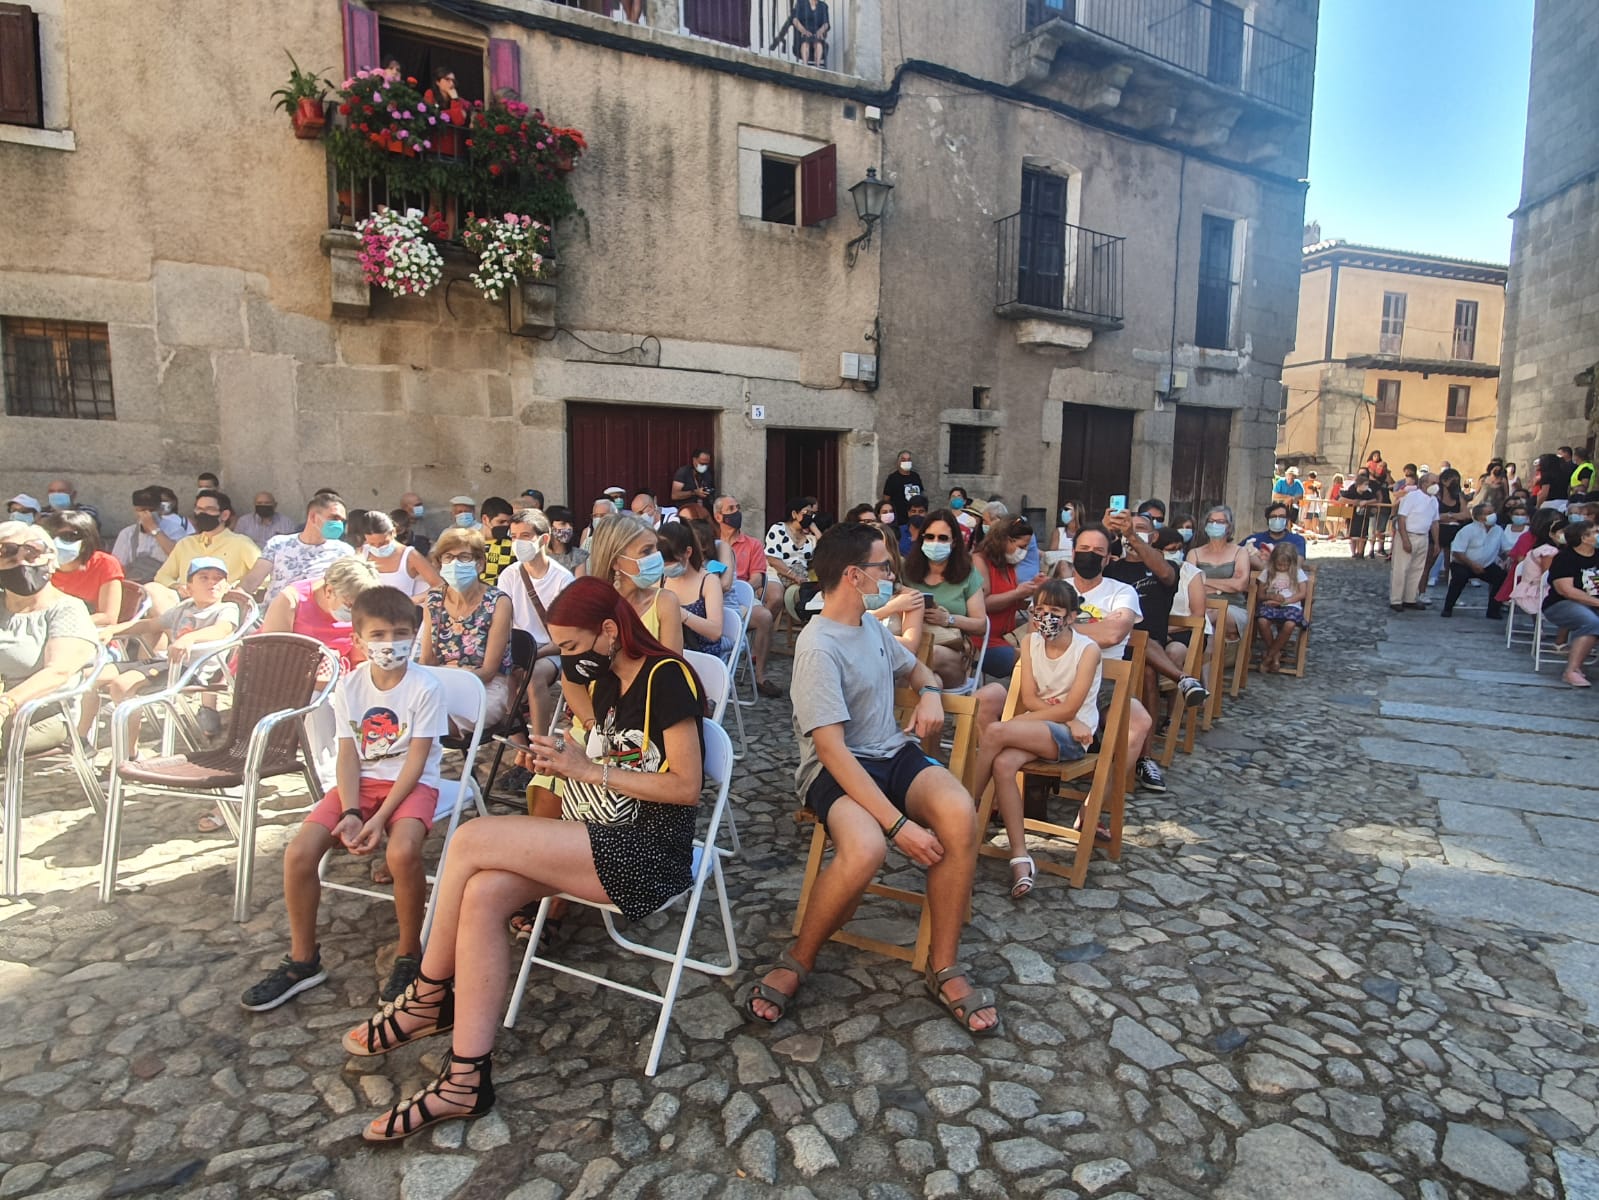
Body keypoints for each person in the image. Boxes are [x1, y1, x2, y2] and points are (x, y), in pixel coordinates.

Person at [342, 576, 706, 1141]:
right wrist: (564, 755)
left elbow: (685, 787)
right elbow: (610, 754)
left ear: (610, 630)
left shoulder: (667, 676)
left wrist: (589, 770)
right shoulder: (606, 679)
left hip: (649, 852)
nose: (569, 658)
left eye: (574, 645)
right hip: (600, 831)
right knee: (484, 892)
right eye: (562, 647)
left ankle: (429, 993)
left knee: (470, 839)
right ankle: (466, 1078)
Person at [741, 522, 996, 1035]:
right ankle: (799, 958)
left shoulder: (871, 628)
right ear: (854, 576)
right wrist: (899, 827)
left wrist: (929, 693)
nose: (893, 576)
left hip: (890, 753)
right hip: (836, 769)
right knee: (866, 848)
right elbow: (832, 751)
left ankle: (943, 965)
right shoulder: (818, 647)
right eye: (885, 567)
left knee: (959, 813)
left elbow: (916, 669)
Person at [242, 585, 449, 1013]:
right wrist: (353, 810)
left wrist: (380, 818)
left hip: (410, 786)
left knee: (402, 852)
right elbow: (348, 755)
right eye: (378, 635)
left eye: (400, 633)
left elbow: (416, 762)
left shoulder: (425, 687)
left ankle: (409, 953)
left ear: (414, 634)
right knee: (299, 853)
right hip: (359, 785)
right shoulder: (349, 687)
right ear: (357, 639)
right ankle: (303, 960)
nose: (389, 643)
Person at [968, 579, 1101, 898]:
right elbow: (1029, 697)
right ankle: (1020, 857)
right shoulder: (1030, 642)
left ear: (1072, 616)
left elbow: (1070, 707)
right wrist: (1062, 715)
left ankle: (965, 808)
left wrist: (1063, 716)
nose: (1045, 617)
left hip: (1074, 737)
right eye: (1039, 609)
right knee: (1003, 765)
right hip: (1045, 725)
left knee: (996, 731)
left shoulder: (1087, 650)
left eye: (1054, 610)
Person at [1044, 524, 1160, 792]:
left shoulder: (1122, 592)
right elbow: (1037, 632)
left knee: (1139, 721)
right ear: (1073, 553)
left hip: (1104, 681)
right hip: (1053, 676)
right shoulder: (1054, 588)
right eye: (1084, 549)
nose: (1090, 555)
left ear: (1107, 559)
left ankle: (1098, 799)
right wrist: (1096, 627)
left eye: (1098, 551)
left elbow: (1113, 635)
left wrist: (1061, 628)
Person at [94, 558, 243, 764]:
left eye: (218, 579)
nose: (212, 583)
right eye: (204, 578)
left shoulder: (226, 609)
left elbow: (222, 630)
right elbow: (151, 625)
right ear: (188, 588)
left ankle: (129, 754)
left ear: (226, 587)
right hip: (165, 662)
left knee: (122, 686)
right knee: (92, 675)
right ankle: (82, 740)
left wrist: (190, 638)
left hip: (190, 670)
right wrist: (113, 630)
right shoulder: (185, 607)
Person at [0, 521, 98, 756]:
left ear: (51, 560)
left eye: (32, 552)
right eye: (8, 554)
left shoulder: (67, 609)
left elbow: (58, 672)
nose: (22, 563)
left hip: (39, 713)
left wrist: (6, 703)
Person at [1105, 513, 1207, 709]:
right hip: (1116, 640)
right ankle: (1183, 679)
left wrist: (1132, 536)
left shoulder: (1167, 567)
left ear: (1154, 537)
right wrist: (1105, 530)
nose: (1132, 531)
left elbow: (1166, 575)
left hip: (1150, 646)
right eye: (1128, 527)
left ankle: (1148, 729)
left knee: (1148, 670)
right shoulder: (1111, 568)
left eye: (1140, 528)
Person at [421, 528, 515, 726]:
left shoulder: (498, 602)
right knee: (413, 714)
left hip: (484, 686)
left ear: (479, 563)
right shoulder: (434, 599)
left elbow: (489, 670)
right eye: (448, 557)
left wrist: (452, 686)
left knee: (434, 721)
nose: (455, 564)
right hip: (441, 682)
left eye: (464, 557)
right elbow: (427, 659)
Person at [500, 509, 575, 742]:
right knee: (502, 677)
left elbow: (567, 638)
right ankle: (521, 746)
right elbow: (503, 623)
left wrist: (532, 656)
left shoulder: (563, 579)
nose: (517, 543)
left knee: (533, 677)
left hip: (551, 651)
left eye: (525, 536)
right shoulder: (509, 575)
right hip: (518, 650)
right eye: (513, 536)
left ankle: (540, 744)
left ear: (544, 539)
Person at [904, 510, 987, 688]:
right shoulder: (907, 572)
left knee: (931, 654)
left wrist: (947, 619)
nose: (935, 543)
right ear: (922, 539)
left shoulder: (967, 573)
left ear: (954, 542)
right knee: (934, 682)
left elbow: (981, 625)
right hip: (912, 644)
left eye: (942, 538)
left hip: (951, 652)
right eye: (930, 537)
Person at [259, 556, 381, 671]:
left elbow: (358, 660)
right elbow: (273, 654)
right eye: (349, 605)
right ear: (329, 591)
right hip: (281, 674)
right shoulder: (291, 600)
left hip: (335, 677)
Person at [587, 513, 683, 654]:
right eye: (646, 551)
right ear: (615, 562)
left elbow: (673, 663)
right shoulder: (591, 607)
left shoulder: (665, 602)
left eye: (657, 548)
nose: (657, 556)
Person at [714, 496, 779, 697]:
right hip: (713, 597)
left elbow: (757, 579)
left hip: (740, 598)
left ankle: (760, 677)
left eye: (738, 508)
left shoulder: (753, 544)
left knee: (765, 617)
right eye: (731, 509)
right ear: (718, 516)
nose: (736, 512)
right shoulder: (711, 543)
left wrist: (735, 590)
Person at [242, 493, 354, 603]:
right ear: (313, 517)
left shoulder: (344, 552)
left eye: (342, 521)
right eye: (334, 518)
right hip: (275, 612)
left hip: (315, 613)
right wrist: (238, 596)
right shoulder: (278, 544)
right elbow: (253, 579)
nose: (339, 524)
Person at [152, 489, 260, 597]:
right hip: (187, 602)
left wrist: (236, 587)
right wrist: (178, 586)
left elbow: (265, 577)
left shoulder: (241, 543)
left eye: (209, 509)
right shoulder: (186, 544)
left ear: (225, 515)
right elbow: (162, 576)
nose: (202, 513)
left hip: (224, 602)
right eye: (199, 509)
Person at [971, 515, 1040, 681]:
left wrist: (1034, 588)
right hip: (982, 642)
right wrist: (1017, 593)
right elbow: (983, 603)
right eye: (1022, 547)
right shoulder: (979, 561)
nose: (1024, 552)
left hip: (1006, 637)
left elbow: (1013, 603)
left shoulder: (1007, 565)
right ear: (1006, 540)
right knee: (1032, 662)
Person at [659, 521, 730, 657]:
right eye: (662, 563)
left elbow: (715, 632)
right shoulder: (661, 579)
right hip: (667, 653)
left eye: (671, 562)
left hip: (700, 655)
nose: (666, 567)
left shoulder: (709, 581)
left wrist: (681, 614)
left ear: (688, 552)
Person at [41, 511, 124, 626]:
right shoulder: (39, 566)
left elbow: (108, 618)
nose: (57, 542)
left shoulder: (105, 564)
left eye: (68, 537)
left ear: (86, 540)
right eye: (51, 536)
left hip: (91, 632)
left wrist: (63, 623)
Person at [1543, 518, 1599, 687]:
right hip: (1561, 604)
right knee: (1591, 622)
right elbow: (1565, 590)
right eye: (1596, 532)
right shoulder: (1565, 558)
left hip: (1592, 603)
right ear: (1584, 538)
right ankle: (1572, 671)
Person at [1187, 506, 1250, 641]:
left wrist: (1202, 581)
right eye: (1211, 521)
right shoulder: (1194, 553)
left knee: (1211, 615)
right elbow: (1187, 585)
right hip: (1199, 605)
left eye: (1220, 522)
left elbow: (1240, 585)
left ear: (1229, 526)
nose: (1215, 525)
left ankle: (1195, 646)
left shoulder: (1240, 552)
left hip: (1232, 607)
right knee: (1203, 616)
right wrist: (1224, 586)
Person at [1441, 504, 1507, 619]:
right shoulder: (1468, 530)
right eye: (1488, 513)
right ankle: (1448, 608)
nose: (1493, 515)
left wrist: (1508, 558)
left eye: (1492, 512)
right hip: (1463, 563)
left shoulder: (1498, 530)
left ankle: (1493, 610)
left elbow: (1506, 548)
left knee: (1501, 577)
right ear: (1479, 516)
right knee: (1459, 577)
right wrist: (1472, 565)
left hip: (1486, 565)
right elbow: (1457, 552)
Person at [360, 510, 443, 601]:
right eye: (372, 544)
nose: (378, 547)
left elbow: (440, 585)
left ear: (393, 532)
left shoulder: (410, 556)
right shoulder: (362, 553)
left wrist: (411, 601)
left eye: (383, 543)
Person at [765, 496, 819, 630]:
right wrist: (793, 576)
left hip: (801, 578)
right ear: (794, 514)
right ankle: (763, 629)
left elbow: (825, 550)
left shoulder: (810, 538)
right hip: (777, 573)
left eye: (812, 514)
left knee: (811, 599)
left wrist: (815, 530)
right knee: (776, 598)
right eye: (806, 513)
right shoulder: (778, 529)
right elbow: (772, 559)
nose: (810, 517)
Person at [1254, 542, 1308, 673]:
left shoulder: (1298, 573)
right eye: (1279, 565)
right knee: (1262, 621)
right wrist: (1271, 596)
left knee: (1289, 624)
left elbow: (1302, 593)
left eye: (1285, 565)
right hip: (1271, 604)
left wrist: (1285, 601)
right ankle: (1276, 655)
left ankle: (1269, 656)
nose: (1282, 568)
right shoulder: (1267, 572)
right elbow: (1260, 595)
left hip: (1290, 605)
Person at [1390, 472, 1440, 612]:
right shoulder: (1412, 497)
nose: (1436, 486)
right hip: (1408, 534)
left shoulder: (1434, 501)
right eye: (1433, 483)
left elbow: (1435, 522)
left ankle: (1410, 598)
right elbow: (1402, 518)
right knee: (1401, 568)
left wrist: (1436, 542)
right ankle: (1396, 599)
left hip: (1423, 536)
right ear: (1424, 484)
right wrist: (1405, 539)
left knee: (1417, 569)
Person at [1426, 468, 1470, 603]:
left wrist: (1448, 515)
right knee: (1428, 563)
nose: (1455, 482)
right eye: (1452, 480)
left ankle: (1453, 597)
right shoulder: (1435, 496)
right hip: (1437, 532)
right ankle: (1420, 592)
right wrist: (1451, 517)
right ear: (1444, 481)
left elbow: (1466, 515)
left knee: (1451, 566)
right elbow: (1433, 517)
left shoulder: (1459, 496)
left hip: (1454, 533)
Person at [1241, 502, 1307, 572]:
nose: (1277, 520)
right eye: (1273, 517)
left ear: (1287, 520)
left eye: (1281, 517)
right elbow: (1236, 553)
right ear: (1268, 520)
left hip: (1288, 577)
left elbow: (1297, 563)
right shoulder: (1254, 539)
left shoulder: (1297, 540)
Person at [476, 498, 516, 588]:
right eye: (501, 522)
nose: (506, 525)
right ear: (485, 519)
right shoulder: (468, 543)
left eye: (509, 522)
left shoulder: (514, 545)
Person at [544, 506, 590, 576]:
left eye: (571, 524)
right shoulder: (540, 556)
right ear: (550, 527)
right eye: (563, 524)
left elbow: (580, 582)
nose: (569, 527)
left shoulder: (578, 556)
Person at [882, 450, 923, 525]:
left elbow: (921, 494)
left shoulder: (915, 476)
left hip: (915, 516)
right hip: (899, 518)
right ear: (898, 462)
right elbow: (886, 499)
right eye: (903, 460)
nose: (906, 462)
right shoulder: (893, 478)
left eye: (909, 460)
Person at [789, 0, 831, 65]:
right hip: (803, 32)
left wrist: (821, 31)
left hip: (817, 33)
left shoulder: (823, 6)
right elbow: (795, 20)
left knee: (818, 44)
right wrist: (804, 30)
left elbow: (826, 24)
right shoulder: (801, 3)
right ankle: (805, 65)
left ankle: (817, 66)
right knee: (805, 43)